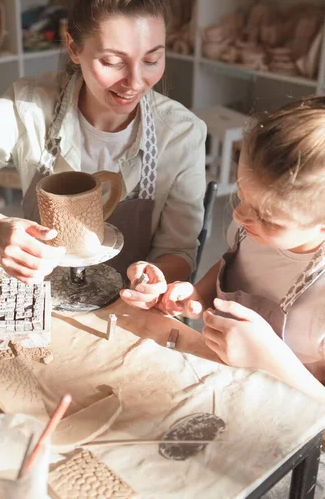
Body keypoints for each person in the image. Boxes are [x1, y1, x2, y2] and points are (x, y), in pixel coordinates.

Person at [0, 0, 206, 290]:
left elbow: (179, 252)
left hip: (125, 307)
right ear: (74, 48)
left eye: (151, 60)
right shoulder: (28, 104)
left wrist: (156, 281)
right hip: (41, 293)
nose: (135, 81)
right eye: (113, 61)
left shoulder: (183, 134)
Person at [122, 96, 325, 403]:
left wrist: (266, 357)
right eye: (242, 195)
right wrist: (197, 296)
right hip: (225, 388)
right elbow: (235, 265)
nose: (239, 215)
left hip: (286, 413)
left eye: (266, 217)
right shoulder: (251, 230)